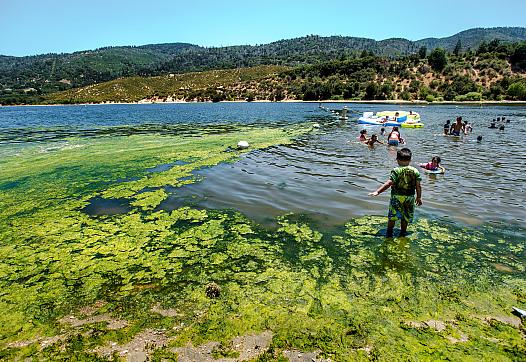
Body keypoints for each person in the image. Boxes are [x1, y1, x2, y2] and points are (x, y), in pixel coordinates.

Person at [369, 148, 422, 237]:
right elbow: (418, 186)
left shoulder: (396, 170)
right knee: (405, 217)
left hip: (397, 197)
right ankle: (403, 232)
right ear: (410, 160)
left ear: (397, 159)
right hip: (410, 197)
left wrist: (377, 192)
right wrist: (419, 197)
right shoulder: (415, 171)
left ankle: (389, 233)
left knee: (393, 216)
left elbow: (389, 183)